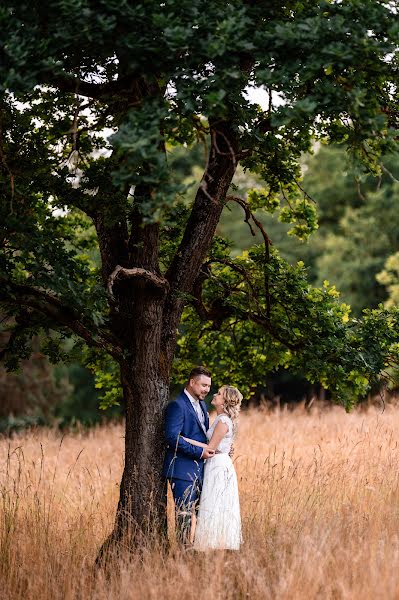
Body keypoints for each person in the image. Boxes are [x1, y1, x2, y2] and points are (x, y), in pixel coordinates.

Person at [182, 385, 243, 551]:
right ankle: (213, 542)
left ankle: (215, 543)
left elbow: (211, 448)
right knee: (213, 502)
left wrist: (186, 441)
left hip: (218, 464)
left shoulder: (223, 421)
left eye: (220, 394)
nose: (215, 394)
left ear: (225, 402)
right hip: (215, 463)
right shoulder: (219, 418)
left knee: (216, 503)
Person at [162, 366, 215, 546]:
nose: (206, 390)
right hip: (182, 471)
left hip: (200, 470)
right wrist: (200, 452)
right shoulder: (177, 405)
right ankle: (183, 554)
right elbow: (171, 438)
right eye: (203, 385)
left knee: (203, 514)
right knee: (184, 516)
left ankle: (198, 552)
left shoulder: (202, 405)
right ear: (192, 382)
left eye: (208, 386)